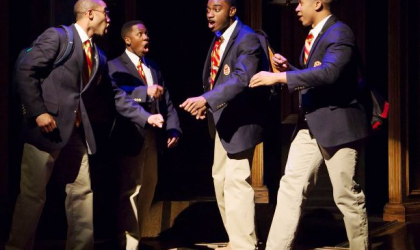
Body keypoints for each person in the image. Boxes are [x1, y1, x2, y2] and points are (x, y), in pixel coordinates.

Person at [6, 0, 164, 249]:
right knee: (32, 196)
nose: (110, 19)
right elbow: (26, 70)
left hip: (76, 134)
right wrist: (38, 112)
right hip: (46, 130)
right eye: (106, 13)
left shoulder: (99, 54)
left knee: (82, 195)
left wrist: (146, 114)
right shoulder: (58, 37)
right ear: (90, 14)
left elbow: (114, 95)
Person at [249, 0, 370, 249]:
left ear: (317, 3)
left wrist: (280, 76)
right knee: (290, 187)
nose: (295, 8)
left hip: (337, 126)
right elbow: (317, 78)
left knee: (346, 195)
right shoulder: (316, 35)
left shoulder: (340, 32)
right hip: (310, 125)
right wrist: (290, 69)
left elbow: (329, 73)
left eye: (300, 2)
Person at [180, 0, 270, 249]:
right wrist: (207, 106)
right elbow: (216, 78)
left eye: (216, 9)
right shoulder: (219, 38)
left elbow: (242, 78)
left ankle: (244, 244)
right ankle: (237, 239)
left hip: (241, 122)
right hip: (223, 121)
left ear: (232, 11)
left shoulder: (247, 38)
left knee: (236, 181)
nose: (209, 14)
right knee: (220, 179)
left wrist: (206, 100)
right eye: (207, 9)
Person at [107, 20, 182, 250]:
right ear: (128, 40)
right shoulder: (114, 66)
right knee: (132, 188)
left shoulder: (154, 67)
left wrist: (173, 127)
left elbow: (166, 99)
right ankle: (127, 241)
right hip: (131, 135)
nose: (147, 37)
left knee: (149, 185)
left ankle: (135, 237)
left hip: (153, 136)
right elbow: (119, 94)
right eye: (141, 34)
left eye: (147, 33)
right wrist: (144, 92)